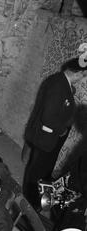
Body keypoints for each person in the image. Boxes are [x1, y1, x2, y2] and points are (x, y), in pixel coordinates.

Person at [23, 57, 87, 210]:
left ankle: (32, 197)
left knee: (38, 167)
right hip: (47, 138)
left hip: (47, 137)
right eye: (83, 75)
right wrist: (62, 130)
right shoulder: (59, 85)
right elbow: (48, 116)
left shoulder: (60, 82)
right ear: (76, 73)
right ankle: (31, 201)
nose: (82, 78)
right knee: (39, 170)